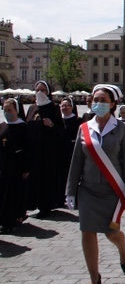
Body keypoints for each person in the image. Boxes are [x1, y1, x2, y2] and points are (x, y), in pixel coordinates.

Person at [66, 84, 125, 284]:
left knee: (111, 232)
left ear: (113, 103)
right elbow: (76, 161)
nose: (98, 103)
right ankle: (94, 278)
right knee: (87, 232)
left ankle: (123, 250)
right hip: (88, 188)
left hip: (112, 189)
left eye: (103, 100)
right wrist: (71, 190)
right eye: (95, 99)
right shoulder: (84, 128)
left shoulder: (121, 128)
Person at [25, 80, 64, 217]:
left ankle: (45, 206)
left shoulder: (53, 107)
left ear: (48, 92)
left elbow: (61, 129)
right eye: (38, 90)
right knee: (33, 178)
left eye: (43, 90)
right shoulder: (32, 108)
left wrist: (51, 124)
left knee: (45, 178)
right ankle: (32, 204)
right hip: (34, 149)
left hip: (48, 150)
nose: (40, 93)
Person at [0, 98, 32, 234]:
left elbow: (28, 148)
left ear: (17, 111)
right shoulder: (2, 126)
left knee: (12, 194)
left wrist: (26, 168)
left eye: (10, 110)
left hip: (16, 165)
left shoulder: (23, 127)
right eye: (5, 110)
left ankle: (10, 221)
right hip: (3, 165)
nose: (7, 113)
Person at [60, 97, 83, 202]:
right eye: (62, 106)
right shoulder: (59, 120)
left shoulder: (78, 120)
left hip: (72, 150)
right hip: (61, 151)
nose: (64, 108)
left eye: (67, 106)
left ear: (72, 107)